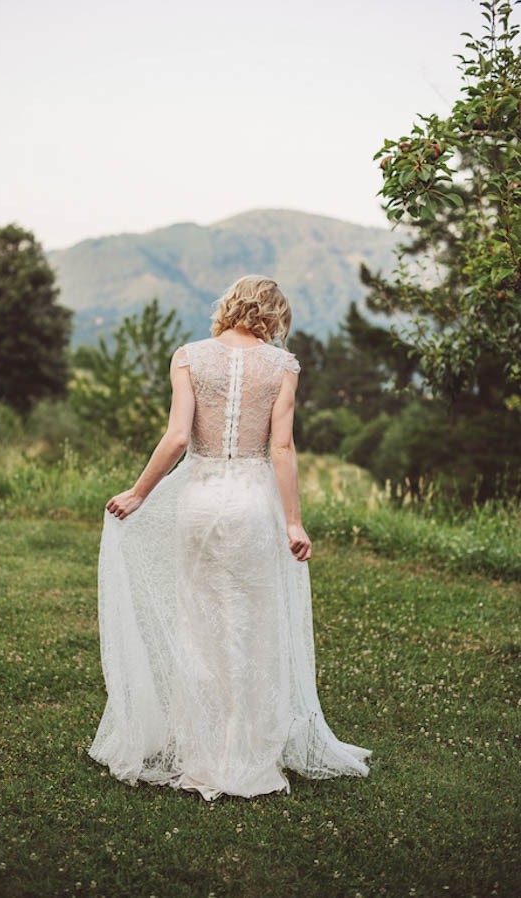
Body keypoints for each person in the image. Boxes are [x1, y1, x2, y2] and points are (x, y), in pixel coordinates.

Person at [87, 274, 373, 800]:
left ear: (230, 306)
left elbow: (177, 437)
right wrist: (293, 521)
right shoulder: (283, 367)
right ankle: (246, 753)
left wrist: (139, 493)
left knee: (200, 628)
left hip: (198, 501)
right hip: (251, 502)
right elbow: (282, 449)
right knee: (253, 627)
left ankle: (203, 752)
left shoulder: (189, 356)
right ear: (274, 316)